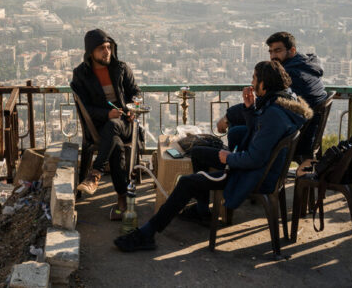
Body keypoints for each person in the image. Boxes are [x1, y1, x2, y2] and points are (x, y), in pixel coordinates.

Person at [114, 61, 312, 252]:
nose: (252, 82)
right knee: (198, 152)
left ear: (264, 83)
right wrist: (249, 108)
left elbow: (255, 158)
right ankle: (202, 211)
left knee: (186, 183)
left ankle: (147, 234)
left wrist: (229, 159)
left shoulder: (274, 115)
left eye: (254, 78)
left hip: (251, 175)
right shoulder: (282, 102)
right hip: (257, 168)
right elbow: (257, 135)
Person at [217, 31, 327, 163]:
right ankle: (240, 164)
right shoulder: (306, 66)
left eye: (278, 51)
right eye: (270, 52)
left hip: (297, 138)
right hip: (306, 131)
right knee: (241, 122)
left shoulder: (291, 75)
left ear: (292, 51)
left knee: (236, 132)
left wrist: (227, 116)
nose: (273, 56)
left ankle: (243, 168)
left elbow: (265, 105)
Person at [72, 29, 141, 221]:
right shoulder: (81, 75)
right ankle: (122, 200)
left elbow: (136, 94)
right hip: (100, 127)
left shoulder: (121, 68)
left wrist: (129, 109)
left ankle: (95, 174)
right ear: (91, 52)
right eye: (102, 48)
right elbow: (85, 108)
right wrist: (106, 113)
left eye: (109, 47)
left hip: (126, 123)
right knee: (116, 144)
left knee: (114, 127)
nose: (107, 52)